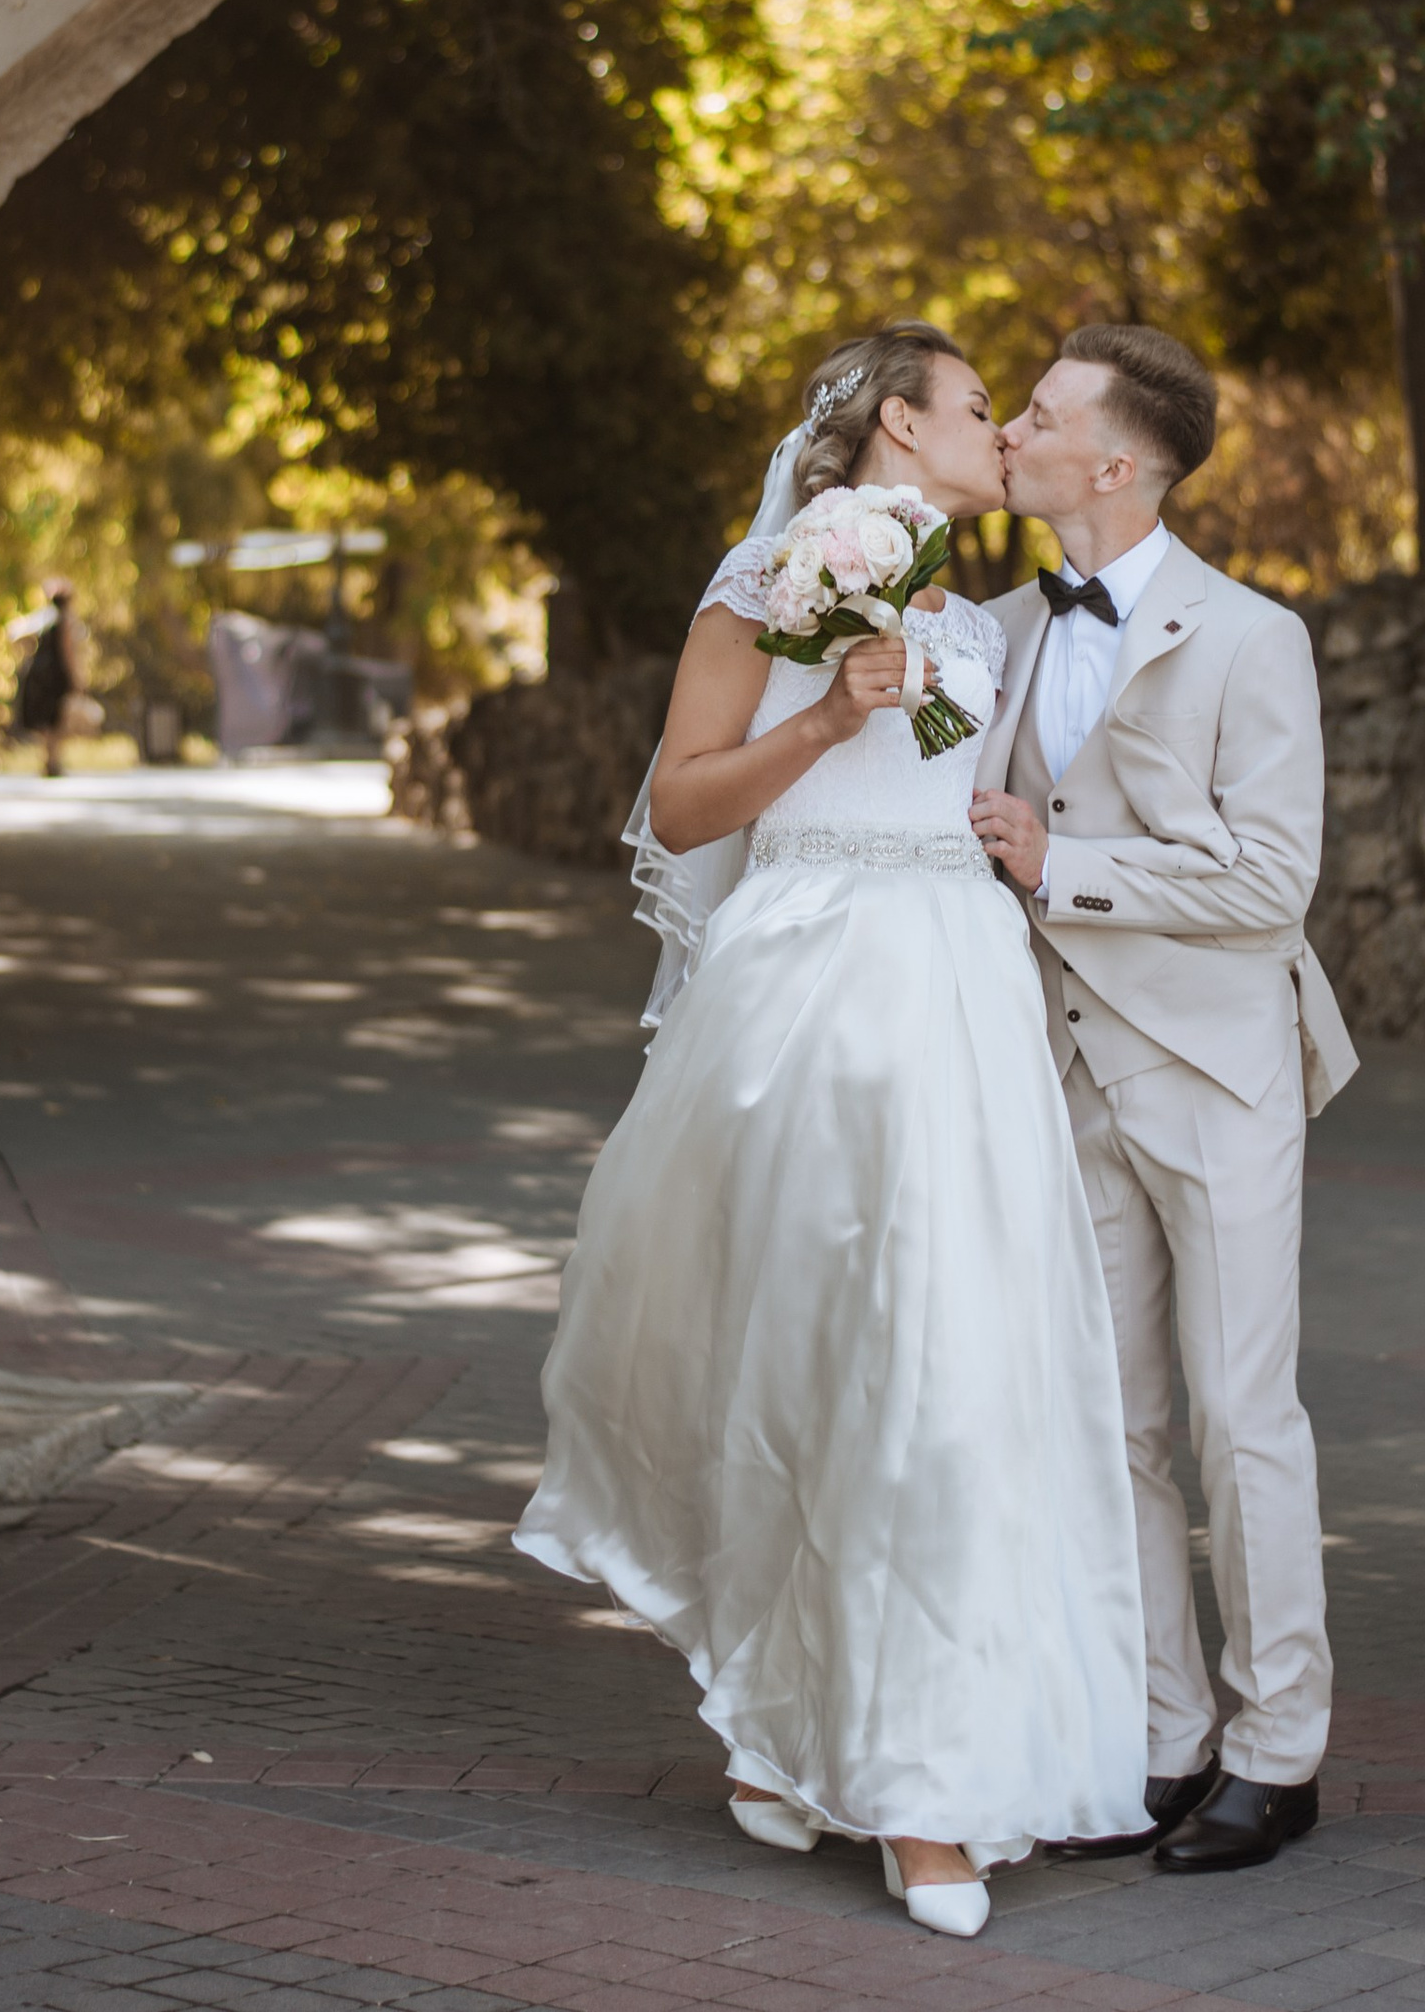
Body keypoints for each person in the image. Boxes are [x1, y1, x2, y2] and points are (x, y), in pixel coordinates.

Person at [515, 322, 1149, 1940]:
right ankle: (809, 1732)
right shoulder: (770, 587)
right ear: (891, 429)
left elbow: (955, 795)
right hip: (812, 998)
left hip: (961, 999)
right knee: (809, 1368)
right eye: (976, 410)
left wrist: (1016, 835)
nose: (1000, 434)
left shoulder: (978, 625)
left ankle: (919, 1781)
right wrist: (828, 716)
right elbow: (680, 805)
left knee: (951, 1378)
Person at [969, 326, 1358, 1875]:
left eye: (1042, 414)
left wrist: (1064, 865)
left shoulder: (1252, 639)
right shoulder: (989, 628)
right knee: (1114, 1424)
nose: (1012, 429)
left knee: (1240, 1414)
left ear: (1113, 463)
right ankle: (1164, 1738)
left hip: (1216, 1069)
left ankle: (1282, 1752)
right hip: (1058, 1071)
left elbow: (1273, 880)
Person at [12, 583, 92, 777]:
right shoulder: (64, 620)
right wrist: (76, 677)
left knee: (48, 721)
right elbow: (68, 651)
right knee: (56, 719)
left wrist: (29, 652)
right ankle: (52, 760)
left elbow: (15, 634)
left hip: (39, 674)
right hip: (55, 675)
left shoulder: (42, 618)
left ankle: (50, 760)